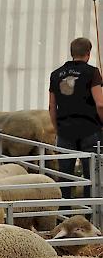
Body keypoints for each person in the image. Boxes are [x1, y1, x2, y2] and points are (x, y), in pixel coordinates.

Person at [49, 37, 103, 200]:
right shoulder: (92, 72)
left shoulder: (55, 74)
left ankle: (64, 216)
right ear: (88, 54)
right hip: (89, 131)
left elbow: (52, 107)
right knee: (91, 178)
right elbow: (100, 104)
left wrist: (57, 129)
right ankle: (90, 216)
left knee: (65, 177)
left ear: (72, 53)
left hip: (65, 132)